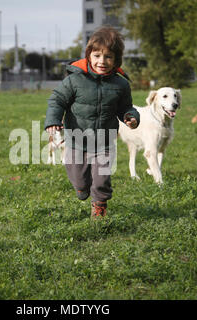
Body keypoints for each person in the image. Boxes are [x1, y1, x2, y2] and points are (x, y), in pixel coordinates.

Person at [44, 26, 140, 219]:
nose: (102, 61)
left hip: (104, 141)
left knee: (102, 179)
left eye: (108, 57)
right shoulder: (75, 79)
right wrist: (53, 120)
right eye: (97, 56)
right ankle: (81, 188)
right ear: (89, 55)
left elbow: (125, 107)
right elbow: (57, 100)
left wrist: (131, 117)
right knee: (80, 180)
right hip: (76, 139)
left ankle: (99, 207)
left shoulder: (120, 84)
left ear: (116, 60)